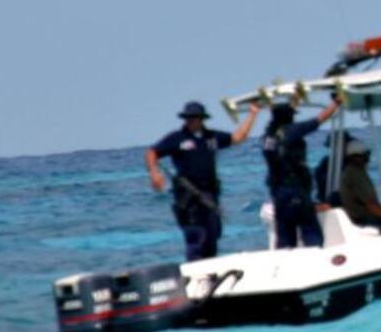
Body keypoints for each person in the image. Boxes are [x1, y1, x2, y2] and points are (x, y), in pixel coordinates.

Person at [146, 100, 260, 260]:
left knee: (212, 238)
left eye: (194, 117)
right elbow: (152, 152)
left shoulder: (211, 138)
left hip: (210, 197)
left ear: (201, 119)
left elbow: (238, 137)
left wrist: (252, 114)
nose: (191, 121)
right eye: (188, 118)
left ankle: (212, 276)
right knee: (196, 238)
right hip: (188, 198)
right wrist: (154, 173)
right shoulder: (177, 138)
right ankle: (195, 274)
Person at [261, 98, 341, 248]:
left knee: (285, 238)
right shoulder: (291, 131)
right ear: (288, 117)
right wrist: (336, 103)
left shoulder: (268, 137)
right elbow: (318, 120)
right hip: (295, 191)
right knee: (312, 234)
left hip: (278, 193)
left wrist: (295, 98)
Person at [339, 140, 381, 233]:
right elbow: (370, 204)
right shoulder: (355, 175)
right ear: (356, 157)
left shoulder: (353, 171)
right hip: (364, 220)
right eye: (365, 154)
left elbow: (372, 203)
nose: (368, 157)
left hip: (363, 217)